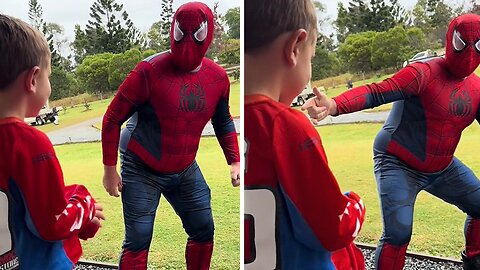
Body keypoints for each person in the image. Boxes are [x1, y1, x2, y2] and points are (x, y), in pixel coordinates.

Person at [303, 13, 480, 270]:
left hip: (442, 167)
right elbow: (377, 91)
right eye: (464, 43)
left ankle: (474, 260)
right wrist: (333, 105)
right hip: (398, 162)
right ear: (451, 40)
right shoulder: (423, 73)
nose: (470, 53)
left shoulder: (475, 89)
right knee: (398, 232)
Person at [101, 2, 240, 269]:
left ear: (208, 34)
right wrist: (109, 169)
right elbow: (112, 118)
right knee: (138, 239)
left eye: (196, 35)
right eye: (181, 34)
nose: (187, 43)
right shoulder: (148, 71)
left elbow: (223, 119)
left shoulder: (218, 77)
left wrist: (234, 160)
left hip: (185, 167)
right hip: (142, 165)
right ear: (172, 31)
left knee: (203, 228)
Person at [244, 0, 366, 269]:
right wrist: (356, 204)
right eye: (311, 57)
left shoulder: (241, 122)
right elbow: (332, 230)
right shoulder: (287, 126)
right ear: (295, 47)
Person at [0, 14, 104, 269]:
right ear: (33, 79)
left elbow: (23, 199)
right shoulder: (29, 143)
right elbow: (51, 224)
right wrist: (85, 204)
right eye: (50, 77)